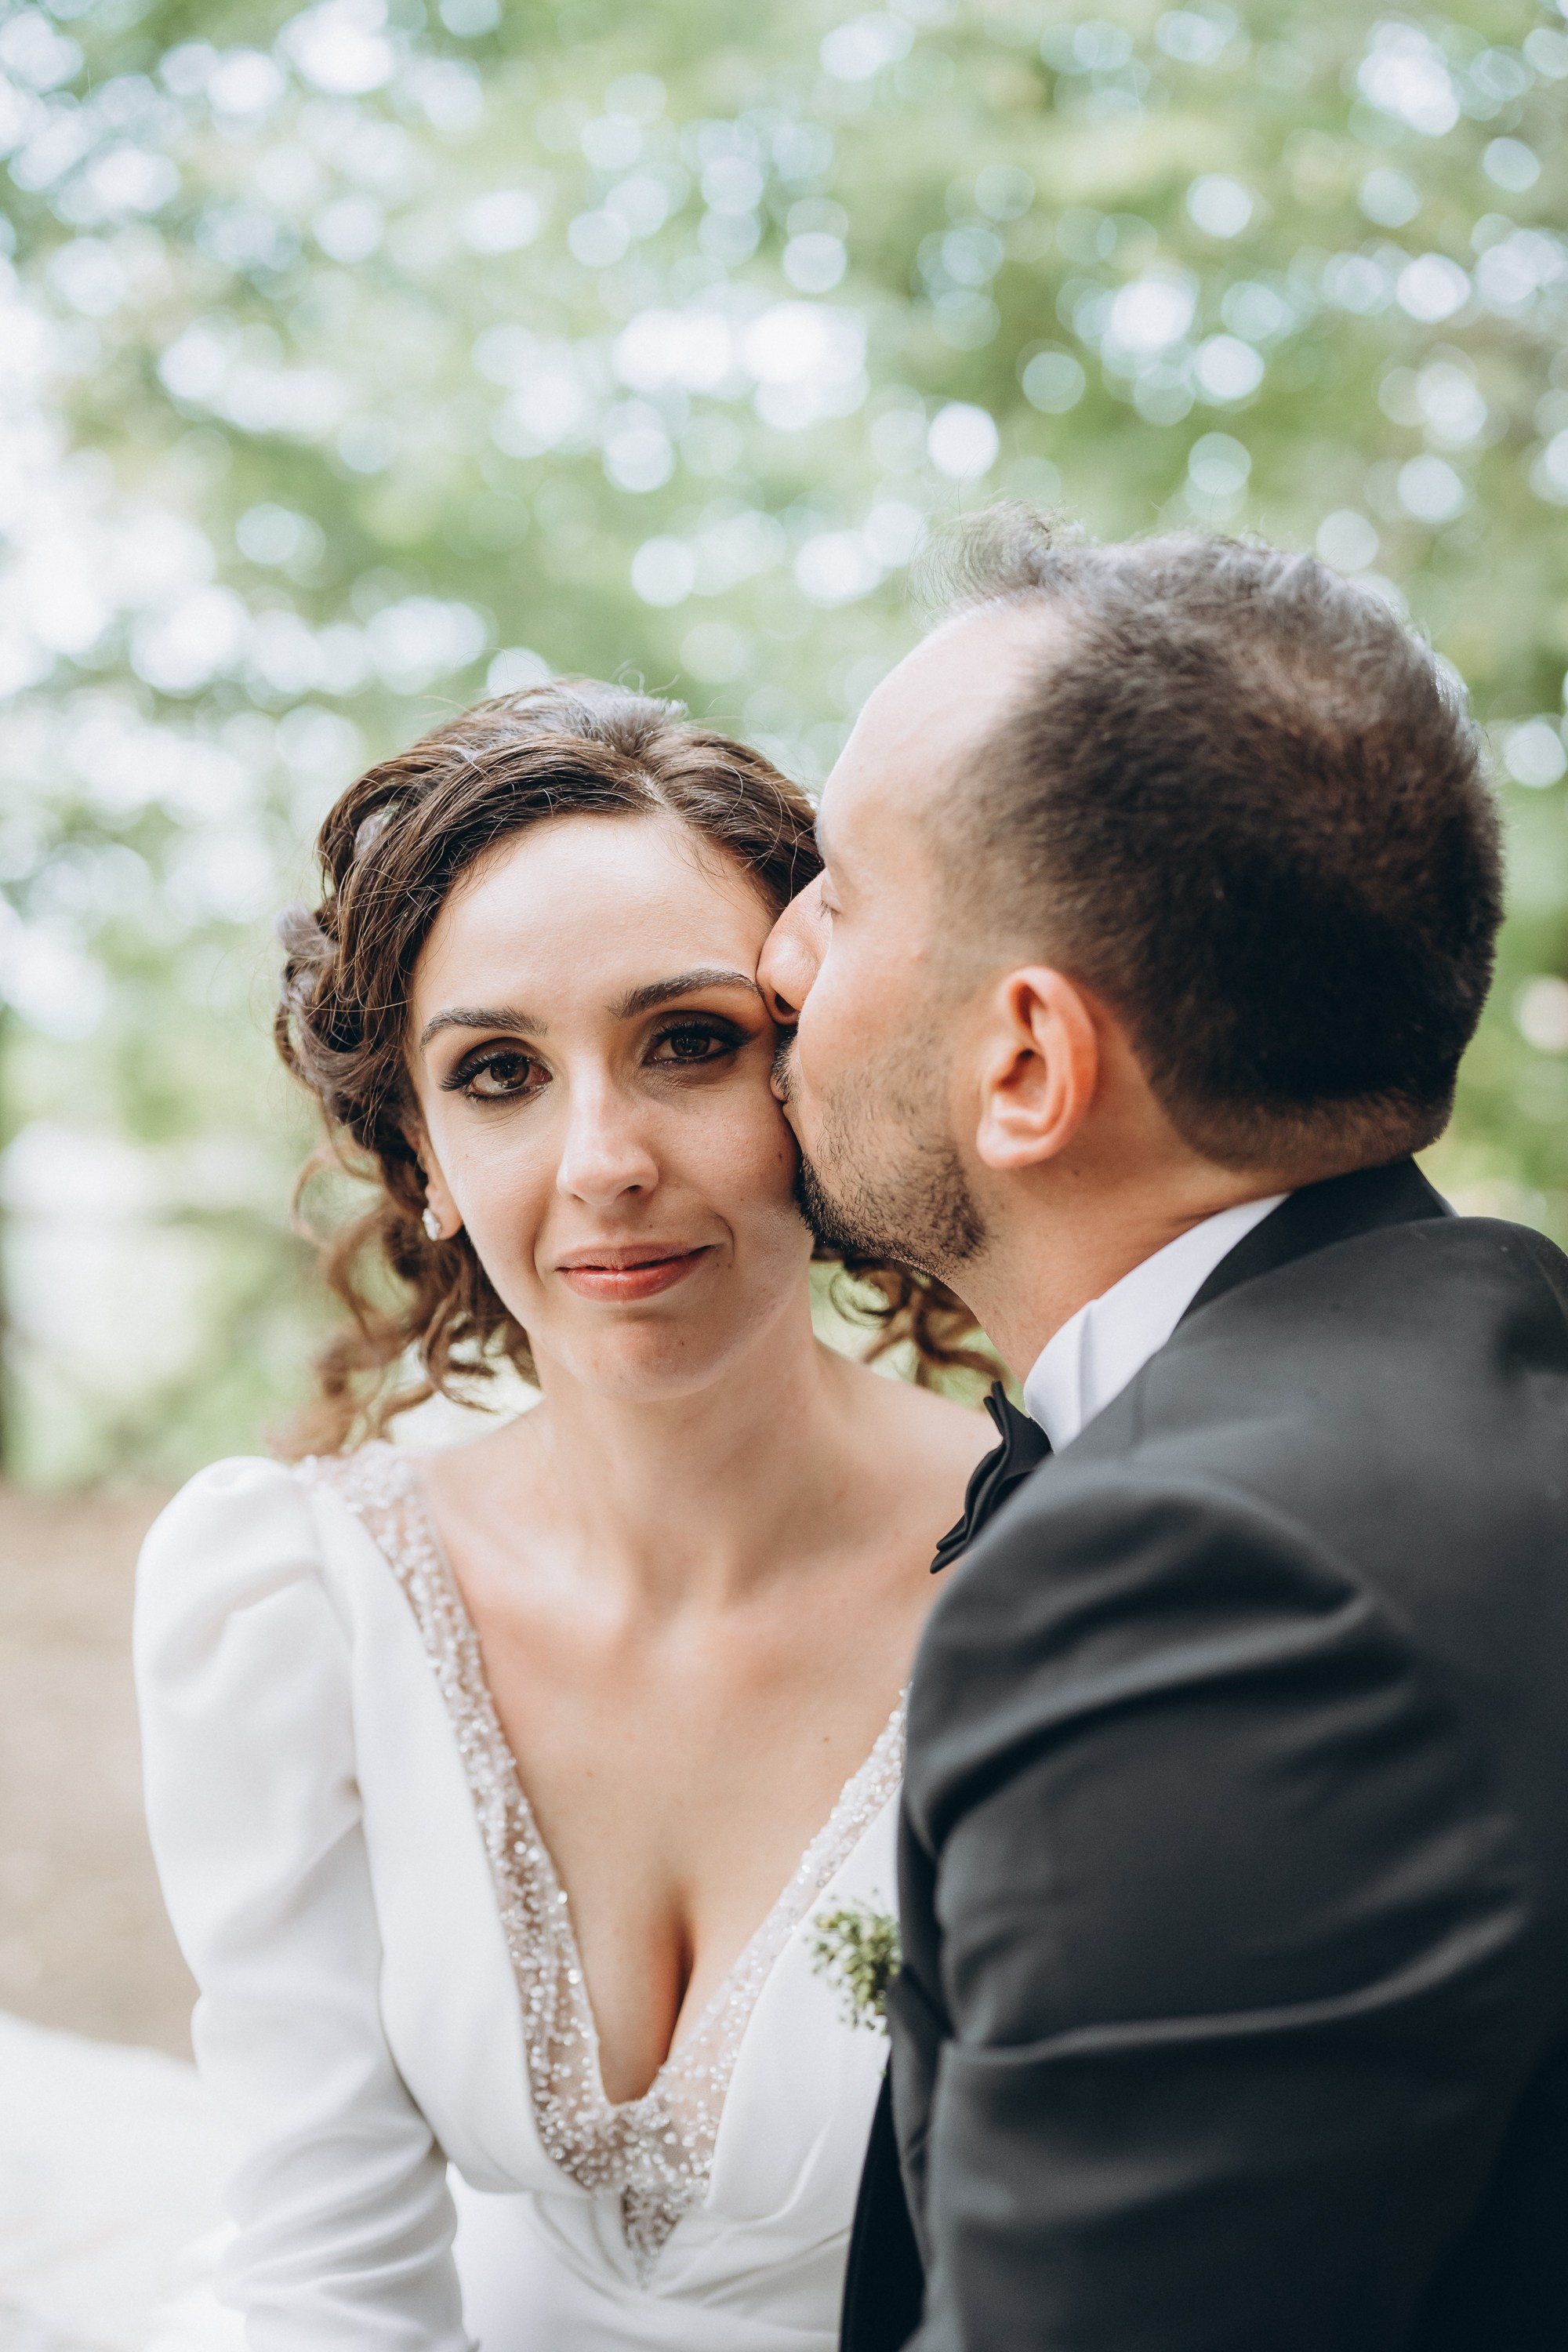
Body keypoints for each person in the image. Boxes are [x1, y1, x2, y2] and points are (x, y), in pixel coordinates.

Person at [758, 511, 1568, 2352]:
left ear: (1026, 1064)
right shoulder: (1483, 1359)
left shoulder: (1216, 1585)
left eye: (840, 887)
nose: (777, 957)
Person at [134, 684, 993, 2351]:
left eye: (688, 1043)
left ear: (813, 1075)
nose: (603, 1160)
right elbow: (328, 2280)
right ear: (426, 1154)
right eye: (502, 1072)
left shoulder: (1063, 1562)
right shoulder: (300, 1608)